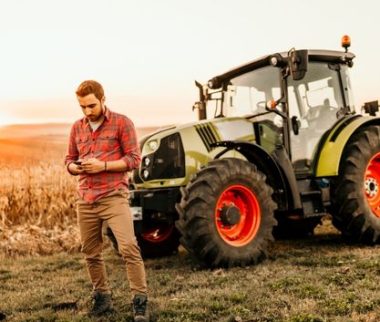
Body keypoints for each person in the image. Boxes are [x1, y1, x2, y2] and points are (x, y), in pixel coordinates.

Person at [65, 80, 149, 322]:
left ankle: (140, 302)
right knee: (90, 252)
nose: (87, 111)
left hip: (113, 196)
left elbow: (134, 159)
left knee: (128, 248)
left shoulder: (123, 123)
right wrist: (75, 167)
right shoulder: (77, 127)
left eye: (91, 105)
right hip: (85, 197)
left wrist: (102, 166)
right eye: (82, 107)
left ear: (103, 99)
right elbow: (68, 160)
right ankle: (102, 298)